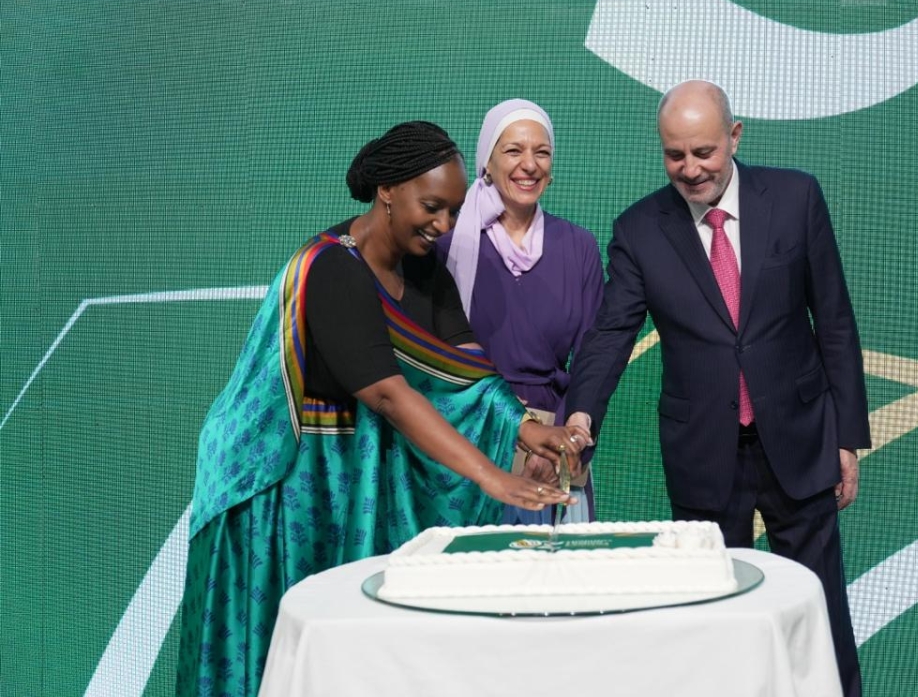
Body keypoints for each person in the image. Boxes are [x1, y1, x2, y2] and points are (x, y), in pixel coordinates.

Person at [175, 121, 581, 697]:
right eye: (433, 207)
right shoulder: (332, 269)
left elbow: (466, 365)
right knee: (285, 654)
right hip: (288, 487)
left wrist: (525, 426)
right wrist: (492, 476)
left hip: (352, 478)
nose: (443, 226)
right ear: (388, 192)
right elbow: (389, 394)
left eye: (454, 211)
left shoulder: (423, 266)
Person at [565, 81, 871, 696]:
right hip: (704, 455)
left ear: (734, 137)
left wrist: (847, 436)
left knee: (819, 618)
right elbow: (609, 336)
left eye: (703, 151)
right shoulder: (639, 229)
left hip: (801, 442)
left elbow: (833, 319)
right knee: (715, 623)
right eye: (675, 155)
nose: (691, 168)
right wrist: (579, 418)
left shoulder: (794, 197)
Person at [440, 99, 603, 524]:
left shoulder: (578, 247)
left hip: (557, 452)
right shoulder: (446, 247)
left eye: (541, 152)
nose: (529, 164)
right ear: (487, 163)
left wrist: (559, 447)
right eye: (513, 151)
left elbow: (591, 359)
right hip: (468, 446)